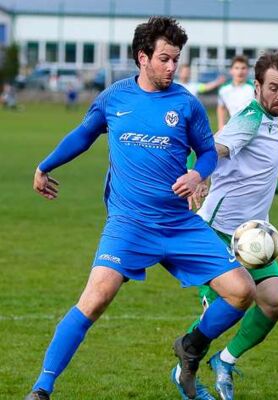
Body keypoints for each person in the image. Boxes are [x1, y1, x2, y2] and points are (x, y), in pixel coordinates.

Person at [25, 16, 256, 400]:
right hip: (129, 224)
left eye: (176, 59)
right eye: (164, 59)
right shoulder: (114, 98)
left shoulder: (186, 104)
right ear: (142, 57)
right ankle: (41, 389)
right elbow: (83, 135)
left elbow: (207, 153)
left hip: (179, 223)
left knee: (242, 291)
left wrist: (197, 174)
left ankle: (191, 347)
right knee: (94, 300)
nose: (172, 67)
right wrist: (44, 165)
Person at [171, 51, 278, 400]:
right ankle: (183, 372)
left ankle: (225, 361)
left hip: (253, 236)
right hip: (220, 233)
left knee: (275, 302)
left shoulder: (269, 120)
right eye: (273, 88)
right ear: (257, 86)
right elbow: (213, 146)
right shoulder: (250, 118)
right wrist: (198, 175)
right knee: (226, 309)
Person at [217, 55, 278, 211]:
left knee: (261, 175)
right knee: (253, 176)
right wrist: (222, 126)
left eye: (243, 68)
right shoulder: (225, 90)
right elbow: (221, 108)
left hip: (251, 130)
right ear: (231, 70)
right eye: (237, 68)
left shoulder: (253, 91)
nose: (240, 71)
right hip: (238, 130)